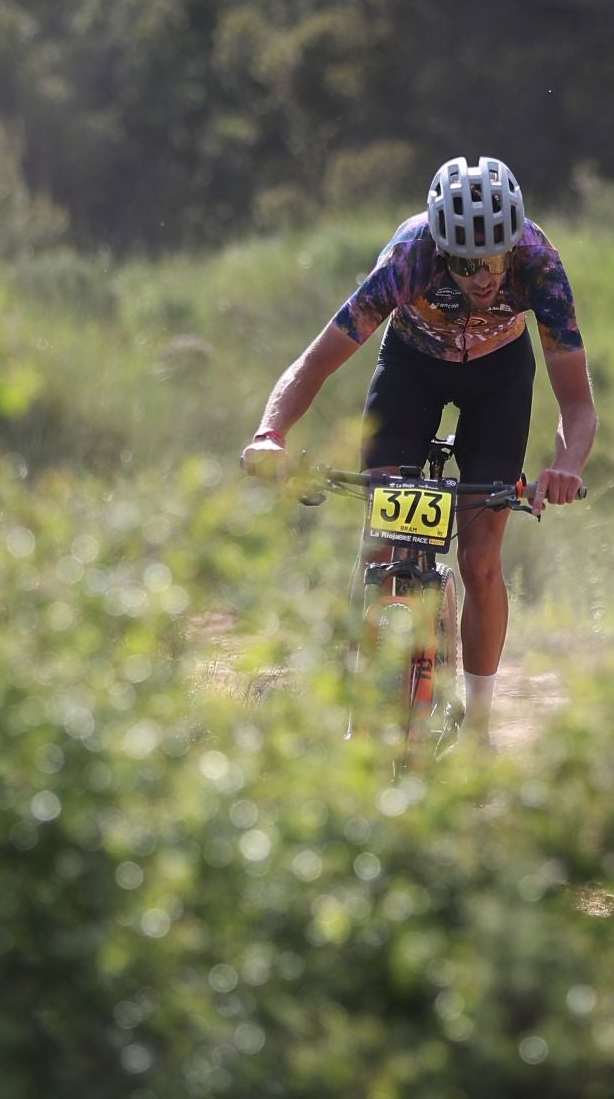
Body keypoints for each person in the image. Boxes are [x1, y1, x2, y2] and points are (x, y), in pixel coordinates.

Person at [242, 156, 595, 749]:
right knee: (381, 535)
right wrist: (269, 434)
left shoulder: (540, 265)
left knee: (481, 558)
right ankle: (366, 692)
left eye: (493, 259)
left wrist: (567, 466)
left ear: (514, 246)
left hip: (499, 378)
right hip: (412, 367)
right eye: (464, 264)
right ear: (441, 248)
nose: (482, 277)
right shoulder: (409, 259)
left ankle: (479, 729)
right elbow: (315, 363)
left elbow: (577, 403)